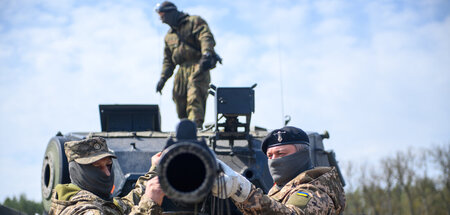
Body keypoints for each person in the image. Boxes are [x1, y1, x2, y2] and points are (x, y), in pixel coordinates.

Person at [211, 126, 346, 214]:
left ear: (302, 155)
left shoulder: (316, 193)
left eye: (281, 154)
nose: (274, 160)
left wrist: (242, 190)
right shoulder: (280, 190)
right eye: (270, 156)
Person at [49, 137, 165, 215]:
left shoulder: (102, 202)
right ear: (78, 171)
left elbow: (129, 203)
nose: (107, 173)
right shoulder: (81, 210)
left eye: (108, 165)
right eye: (98, 167)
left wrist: (156, 169)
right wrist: (150, 203)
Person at [154, 1, 218, 129]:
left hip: (198, 64)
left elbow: (205, 37)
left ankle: (195, 126)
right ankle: (186, 127)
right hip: (181, 69)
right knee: (179, 98)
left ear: (171, 12)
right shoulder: (169, 36)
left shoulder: (193, 22)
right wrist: (163, 78)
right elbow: (168, 60)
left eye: (162, 14)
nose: (161, 19)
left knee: (194, 94)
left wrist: (206, 54)